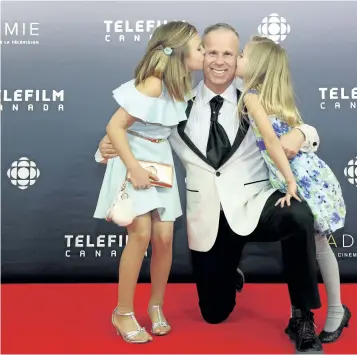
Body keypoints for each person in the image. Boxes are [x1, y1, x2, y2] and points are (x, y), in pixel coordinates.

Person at [98, 23, 323, 353]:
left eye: (228, 54)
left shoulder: (253, 96)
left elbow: (304, 126)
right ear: (199, 56)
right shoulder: (176, 102)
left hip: (255, 204)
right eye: (212, 52)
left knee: (299, 215)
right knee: (214, 313)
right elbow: (133, 129)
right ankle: (229, 271)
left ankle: (302, 316)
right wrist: (104, 147)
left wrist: (301, 136)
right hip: (208, 218)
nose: (219, 61)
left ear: (239, 58)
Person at [93, 21, 204, 344]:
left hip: (161, 163)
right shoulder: (152, 84)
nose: (203, 53)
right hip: (133, 161)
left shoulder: (180, 86)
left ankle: (156, 307)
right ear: (179, 51)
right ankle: (123, 312)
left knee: (165, 238)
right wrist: (133, 168)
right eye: (198, 47)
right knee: (140, 235)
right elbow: (115, 127)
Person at [236, 35, 351, 344]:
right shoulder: (270, 100)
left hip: (301, 178)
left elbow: (275, 142)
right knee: (313, 245)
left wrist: (289, 181)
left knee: (318, 244)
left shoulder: (252, 97)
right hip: (301, 177)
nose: (236, 59)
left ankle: (336, 311)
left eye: (242, 55)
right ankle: (312, 314)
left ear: (257, 66)